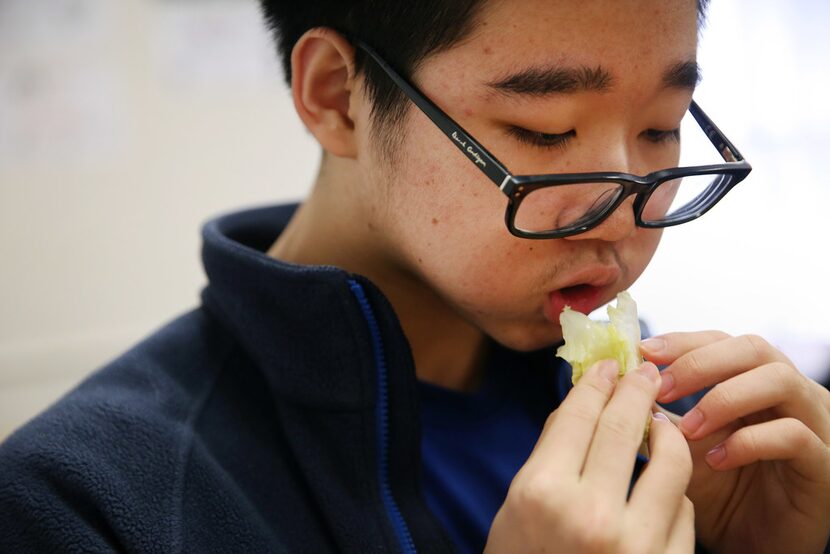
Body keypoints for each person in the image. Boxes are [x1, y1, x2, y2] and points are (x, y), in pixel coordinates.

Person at [1, 0, 828, 552]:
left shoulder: (666, 425)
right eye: (543, 131)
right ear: (337, 96)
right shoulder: (82, 505)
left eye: (661, 128)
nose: (622, 215)